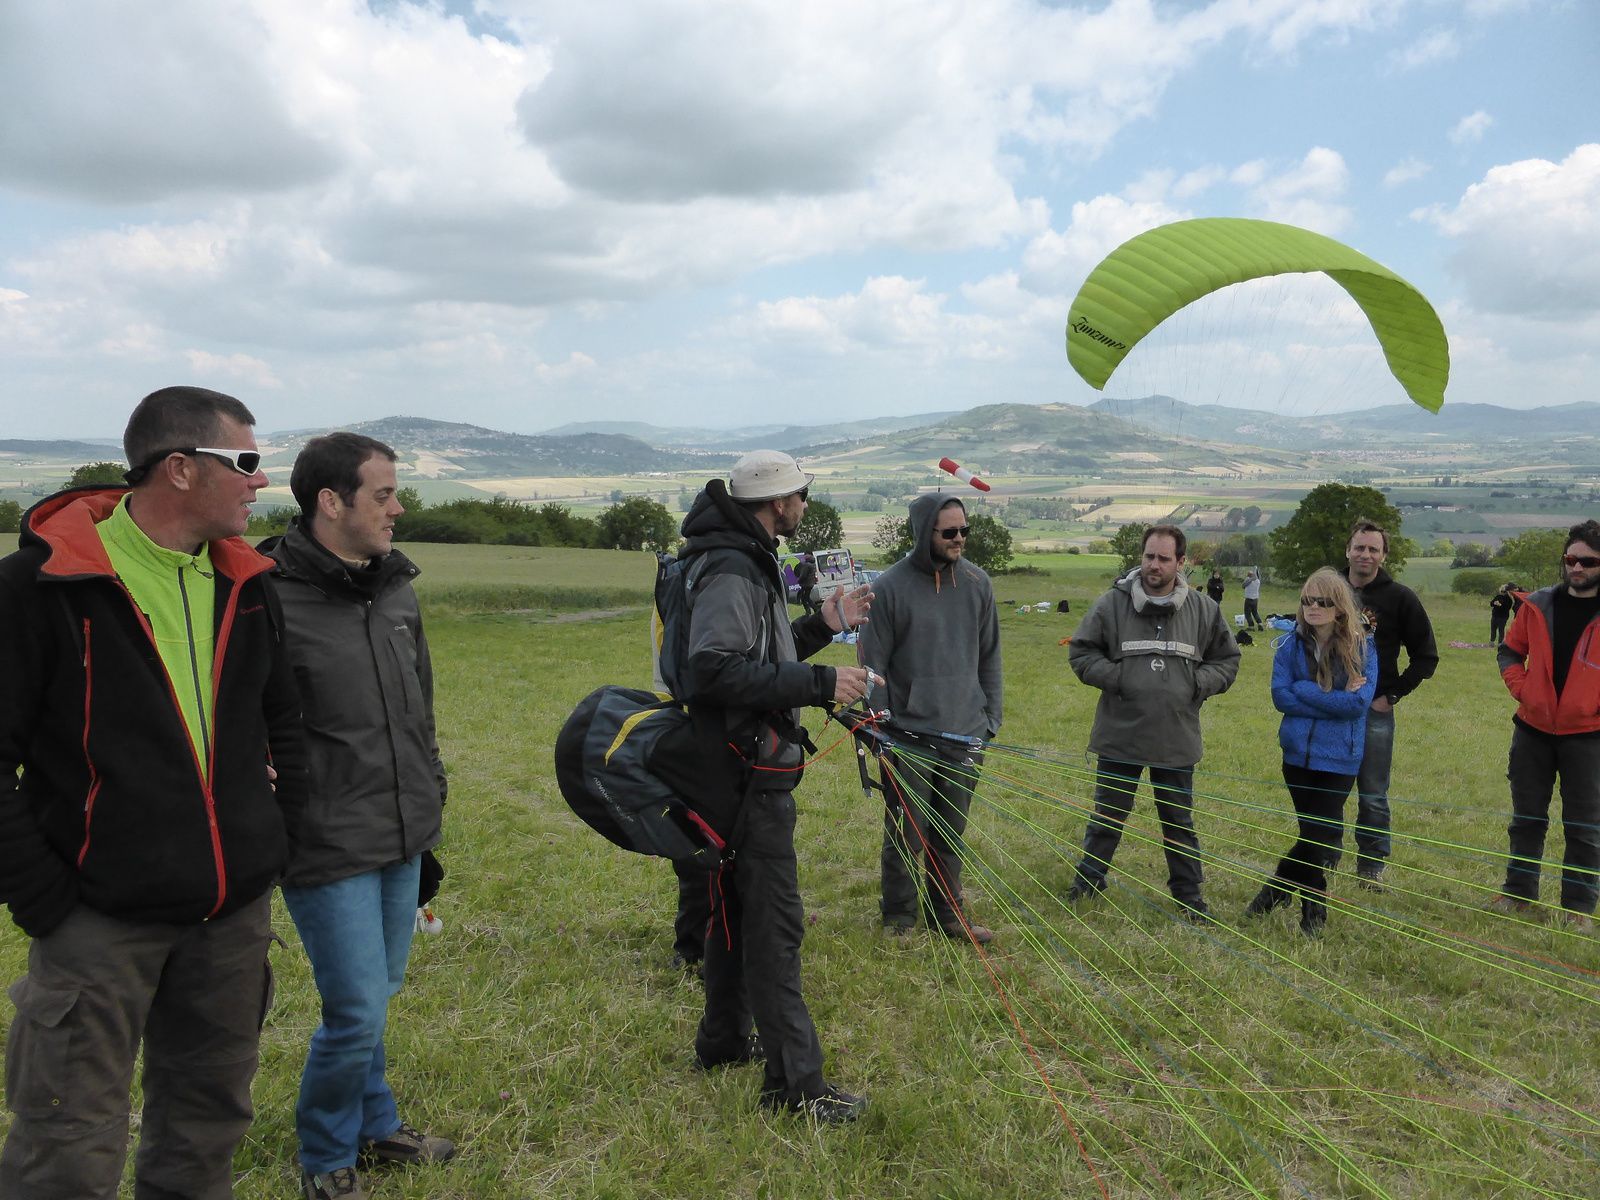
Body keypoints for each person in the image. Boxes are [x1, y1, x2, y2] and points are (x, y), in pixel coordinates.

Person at [0, 386, 307, 1199]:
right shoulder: (40, 587)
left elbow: (284, 727)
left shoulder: (248, 582)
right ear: (177, 468)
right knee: (65, 1143)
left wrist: (273, 845)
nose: (261, 480)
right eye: (243, 461)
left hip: (230, 921)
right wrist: (46, 900)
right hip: (97, 921)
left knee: (208, 1126)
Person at [260, 433, 452, 1200]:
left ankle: (375, 1126)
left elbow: (422, 709)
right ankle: (325, 1153)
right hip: (323, 837)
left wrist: (431, 803)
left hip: (401, 830)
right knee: (355, 1008)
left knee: (380, 995)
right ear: (329, 503)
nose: (398, 507)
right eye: (383, 494)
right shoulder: (264, 595)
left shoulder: (396, 589)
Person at [679, 450, 873, 1124]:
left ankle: (723, 1041)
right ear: (777, 502)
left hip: (728, 767)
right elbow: (712, 669)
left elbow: (762, 656)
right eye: (800, 495)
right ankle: (797, 1087)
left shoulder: (738, 554)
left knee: (732, 912)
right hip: (742, 773)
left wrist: (823, 628)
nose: (805, 506)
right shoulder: (734, 566)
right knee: (774, 925)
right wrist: (821, 683)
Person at [1065, 525, 1240, 921]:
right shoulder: (1112, 604)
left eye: (1163, 558)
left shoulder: (1204, 610)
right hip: (1120, 734)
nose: (1153, 565)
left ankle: (1188, 896)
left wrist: (1198, 683)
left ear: (1181, 562)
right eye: (1148, 557)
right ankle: (1088, 882)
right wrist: (1120, 679)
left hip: (1175, 737)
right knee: (1107, 816)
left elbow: (1227, 661)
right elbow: (1081, 653)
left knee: (1178, 820)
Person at [859, 494, 1003, 945]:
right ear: (924, 534)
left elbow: (990, 658)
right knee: (907, 830)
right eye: (949, 532)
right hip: (909, 736)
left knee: (950, 830)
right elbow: (872, 665)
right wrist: (883, 730)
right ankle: (900, 917)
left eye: (964, 530)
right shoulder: (889, 589)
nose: (959, 539)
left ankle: (948, 915)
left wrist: (990, 720)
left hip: (966, 733)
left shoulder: (978, 584)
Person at [1245, 569, 1378, 936]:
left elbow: (1359, 704)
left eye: (1322, 601)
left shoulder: (1363, 646)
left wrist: (1306, 690)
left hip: (1339, 760)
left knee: (1316, 834)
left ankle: (1302, 906)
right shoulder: (1290, 644)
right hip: (1297, 757)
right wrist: (1331, 696)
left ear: (1339, 607)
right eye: (1307, 601)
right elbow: (1280, 696)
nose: (1313, 608)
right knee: (1312, 832)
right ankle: (1283, 899)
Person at [1488, 520, 1600, 930]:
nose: (1576, 567)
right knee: (1527, 819)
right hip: (1532, 731)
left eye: (1587, 561)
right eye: (1570, 559)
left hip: (1589, 738)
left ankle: (1578, 911)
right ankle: (1518, 896)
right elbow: (1510, 652)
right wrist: (1524, 691)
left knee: (1585, 826)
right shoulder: (1537, 606)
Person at [1337, 520, 1438, 887]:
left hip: (1373, 712)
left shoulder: (1401, 598)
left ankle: (1371, 867)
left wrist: (1391, 695)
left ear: (1383, 555)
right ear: (1348, 550)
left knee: (1373, 793)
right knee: (1328, 788)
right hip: (1330, 707)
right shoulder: (1328, 589)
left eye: (1373, 549)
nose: (1365, 554)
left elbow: (1426, 657)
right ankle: (1324, 857)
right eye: (1359, 547)